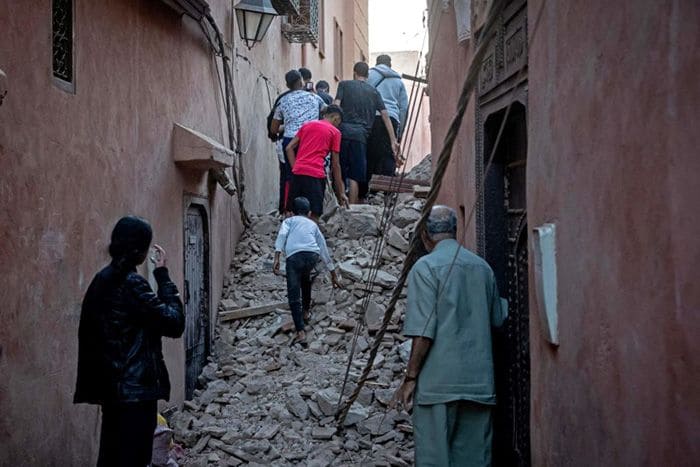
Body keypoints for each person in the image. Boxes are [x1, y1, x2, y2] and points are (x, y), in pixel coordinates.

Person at [394, 206, 508, 467]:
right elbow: (497, 319)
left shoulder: (425, 268)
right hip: (479, 383)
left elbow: (423, 332)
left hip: (438, 386)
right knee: (475, 459)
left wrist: (410, 378)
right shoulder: (483, 268)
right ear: (455, 232)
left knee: (436, 459)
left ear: (425, 235)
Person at [74, 216, 185, 467]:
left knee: (113, 456)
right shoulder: (132, 284)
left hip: (112, 391)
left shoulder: (102, 280)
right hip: (135, 393)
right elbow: (174, 323)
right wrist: (163, 277)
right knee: (132, 458)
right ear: (141, 250)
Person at [273, 197, 340, 343]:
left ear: (292, 213)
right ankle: (306, 311)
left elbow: (282, 236)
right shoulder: (313, 224)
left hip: (294, 256)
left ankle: (301, 331)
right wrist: (333, 273)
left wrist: (277, 258)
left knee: (293, 293)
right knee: (306, 278)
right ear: (309, 213)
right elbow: (323, 248)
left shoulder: (288, 221)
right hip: (312, 255)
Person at [334, 61, 399, 204]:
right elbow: (385, 115)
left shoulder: (344, 85)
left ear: (354, 73)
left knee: (339, 169)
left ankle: (340, 206)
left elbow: (336, 106)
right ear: (367, 76)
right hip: (361, 137)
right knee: (355, 175)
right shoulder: (374, 92)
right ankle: (352, 208)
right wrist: (393, 140)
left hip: (343, 134)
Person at [270, 70, 326, 213]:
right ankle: (314, 211)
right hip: (312, 140)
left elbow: (273, 129)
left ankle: (288, 211)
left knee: (290, 176)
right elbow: (327, 113)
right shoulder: (315, 98)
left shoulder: (283, 101)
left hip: (290, 141)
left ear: (287, 85)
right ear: (302, 81)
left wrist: (287, 125)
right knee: (313, 173)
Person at [284, 105, 348, 221]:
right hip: (315, 175)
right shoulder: (335, 132)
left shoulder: (307, 125)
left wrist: (295, 167)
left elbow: (289, 147)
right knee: (314, 214)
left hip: (298, 172)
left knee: (292, 212)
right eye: (339, 123)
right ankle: (310, 236)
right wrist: (341, 192)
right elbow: (335, 164)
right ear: (336, 119)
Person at [367, 54, 409, 184]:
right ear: (390, 65)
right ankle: (385, 189)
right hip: (392, 118)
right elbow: (404, 108)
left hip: (372, 117)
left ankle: (369, 187)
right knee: (388, 153)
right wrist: (399, 133)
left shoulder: (368, 75)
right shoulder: (398, 81)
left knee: (370, 152)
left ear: (376, 63)